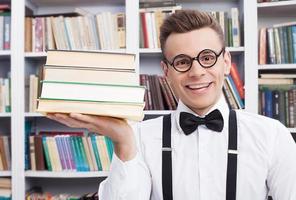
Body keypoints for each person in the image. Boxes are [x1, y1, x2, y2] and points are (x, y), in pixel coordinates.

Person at [47, 10, 296, 200]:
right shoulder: (138, 138)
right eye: (182, 61)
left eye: (207, 58)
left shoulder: (272, 135)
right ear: (166, 71)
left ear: (226, 61)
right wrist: (123, 141)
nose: (197, 72)